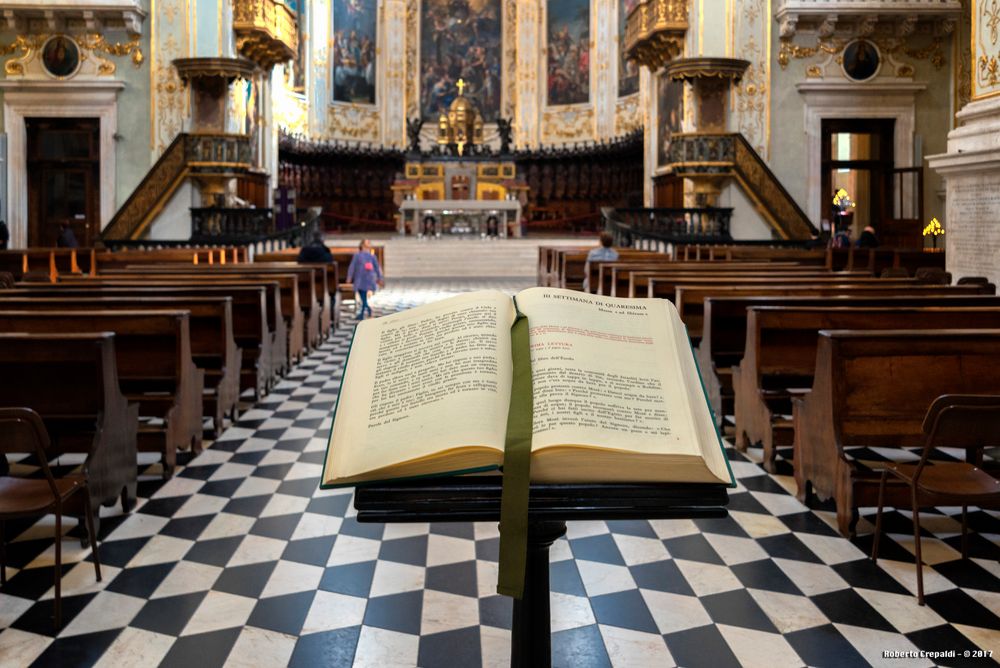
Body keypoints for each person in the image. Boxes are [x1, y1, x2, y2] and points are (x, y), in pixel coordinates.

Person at [347, 239, 383, 320]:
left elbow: (377, 268)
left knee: (363, 297)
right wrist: (349, 276)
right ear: (362, 245)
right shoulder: (357, 255)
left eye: (369, 242)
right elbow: (352, 266)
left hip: (369, 278)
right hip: (359, 279)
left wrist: (380, 277)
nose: (368, 243)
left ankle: (362, 313)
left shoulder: (372, 256)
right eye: (367, 242)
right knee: (362, 296)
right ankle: (368, 309)